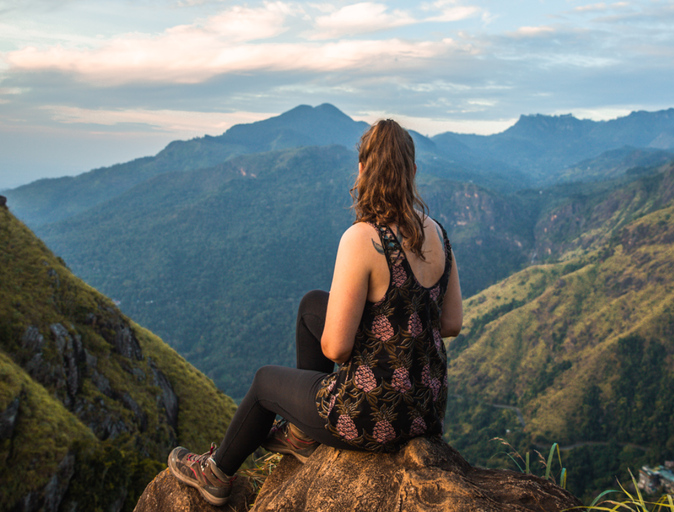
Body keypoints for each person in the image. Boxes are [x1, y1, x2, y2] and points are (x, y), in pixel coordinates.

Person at [167, 119, 463, 506]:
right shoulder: (437, 232)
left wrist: (365, 338)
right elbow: (451, 323)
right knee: (312, 305)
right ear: (413, 171)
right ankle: (303, 435)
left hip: (374, 416)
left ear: (362, 169)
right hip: (426, 409)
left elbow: (337, 349)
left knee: (264, 383)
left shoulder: (363, 238)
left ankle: (216, 474)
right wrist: (391, 327)